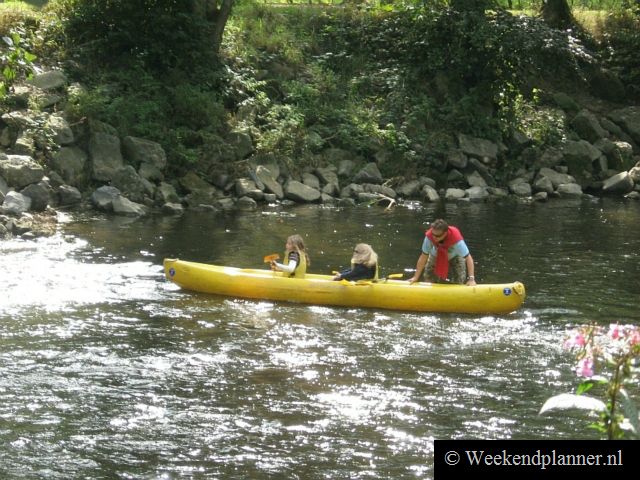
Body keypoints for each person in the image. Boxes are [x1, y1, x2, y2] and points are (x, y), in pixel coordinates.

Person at [408, 219, 477, 286]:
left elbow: (468, 258)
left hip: (455, 256)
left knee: (459, 279)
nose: (434, 237)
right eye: (433, 234)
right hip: (435, 255)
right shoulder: (429, 237)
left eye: (437, 236)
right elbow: (423, 256)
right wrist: (415, 277)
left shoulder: (457, 240)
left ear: (445, 233)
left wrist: (471, 279)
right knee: (428, 278)